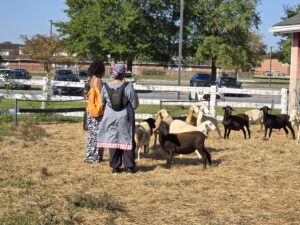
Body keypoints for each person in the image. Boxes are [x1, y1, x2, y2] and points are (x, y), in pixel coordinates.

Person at [97, 64, 139, 174]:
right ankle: (129, 166)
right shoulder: (128, 86)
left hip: (109, 117)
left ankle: (115, 167)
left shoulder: (105, 86)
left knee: (112, 139)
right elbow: (135, 105)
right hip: (124, 117)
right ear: (123, 74)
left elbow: (102, 102)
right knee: (127, 139)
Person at [84, 60, 105, 163]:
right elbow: (103, 95)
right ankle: (96, 157)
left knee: (91, 134)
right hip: (98, 110)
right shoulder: (98, 80)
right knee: (98, 133)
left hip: (90, 109)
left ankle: (90, 155)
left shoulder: (90, 79)